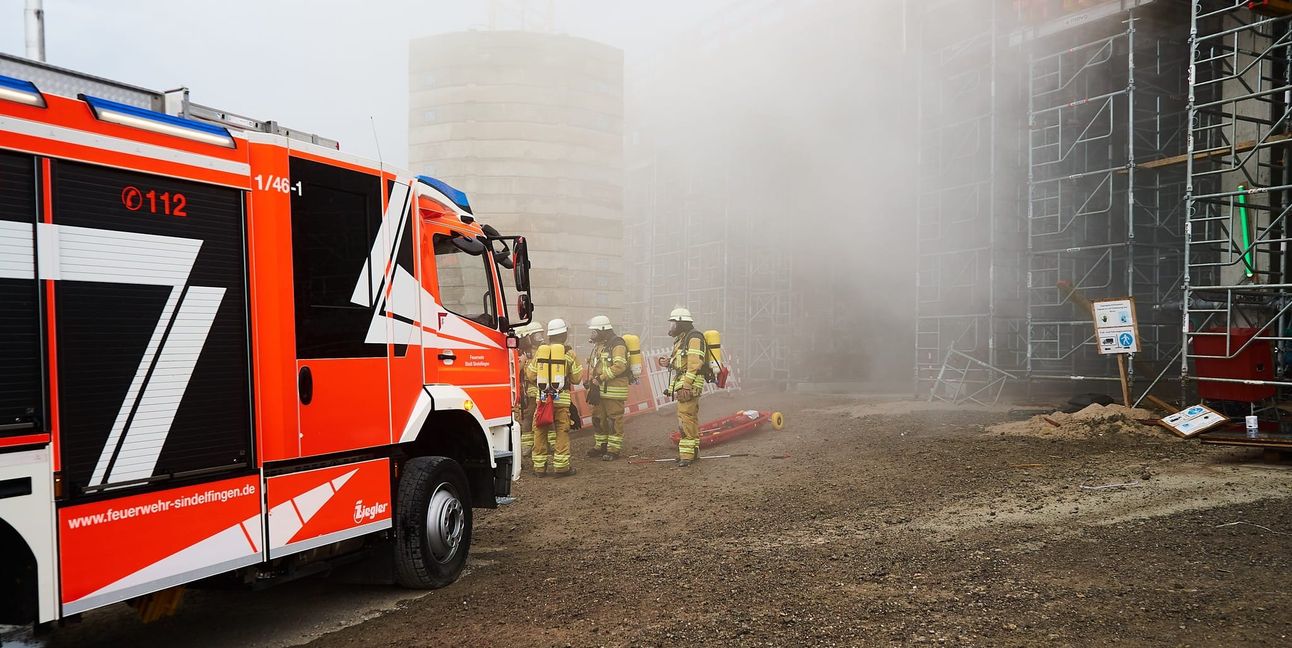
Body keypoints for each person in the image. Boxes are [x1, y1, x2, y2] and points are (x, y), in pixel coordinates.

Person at [528, 318, 584, 476]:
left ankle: (539, 468)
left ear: (550, 335)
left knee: (540, 431)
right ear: (564, 335)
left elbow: (530, 375)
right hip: (562, 401)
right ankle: (561, 467)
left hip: (543, 400)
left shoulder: (541, 352)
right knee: (561, 432)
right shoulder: (569, 354)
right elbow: (577, 378)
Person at [585, 315, 630, 461]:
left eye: (594, 331)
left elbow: (620, 366)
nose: (592, 334)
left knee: (613, 420)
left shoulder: (617, 344)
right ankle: (601, 445)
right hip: (599, 390)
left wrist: (601, 378)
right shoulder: (599, 345)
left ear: (603, 330)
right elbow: (596, 365)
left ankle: (613, 449)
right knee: (598, 419)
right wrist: (591, 381)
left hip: (614, 390)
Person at [665, 307, 706, 467]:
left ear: (681, 323)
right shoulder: (684, 338)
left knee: (685, 419)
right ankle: (692, 452)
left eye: (674, 323)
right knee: (690, 418)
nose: (671, 327)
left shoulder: (693, 338)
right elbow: (682, 361)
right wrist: (668, 362)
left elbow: (694, 364)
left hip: (689, 384)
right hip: (686, 382)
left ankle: (687, 456)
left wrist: (686, 386)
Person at [513, 322, 544, 459]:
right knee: (527, 417)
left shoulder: (538, 351)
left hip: (535, 390)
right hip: (526, 391)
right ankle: (526, 446)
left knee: (535, 417)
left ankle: (537, 444)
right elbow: (517, 372)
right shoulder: (520, 353)